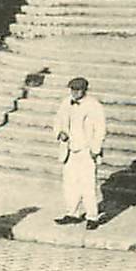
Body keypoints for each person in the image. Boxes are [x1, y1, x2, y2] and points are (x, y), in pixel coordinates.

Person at [52, 77, 107, 230]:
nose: (75, 93)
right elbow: (57, 120)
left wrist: (95, 150)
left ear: (85, 90)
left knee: (87, 184)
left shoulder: (94, 105)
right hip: (69, 150)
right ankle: (72, 213)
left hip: (86, 150)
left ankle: (92, 216)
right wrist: (60, 132)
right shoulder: (66, 102)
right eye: (72, 90)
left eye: (78, 90)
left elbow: (100, 129)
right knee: (70, 183)